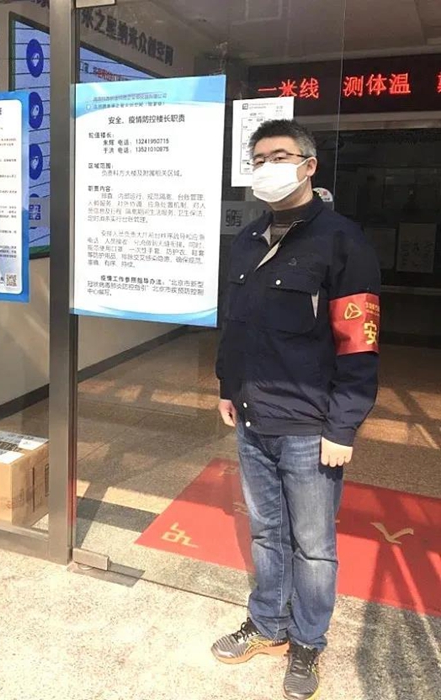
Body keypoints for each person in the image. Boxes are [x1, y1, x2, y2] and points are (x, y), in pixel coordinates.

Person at [213, 120, 380, 700]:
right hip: (253, 415)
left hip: (311, 425)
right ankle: (268, 624)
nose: (267, 168)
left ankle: (308, 641)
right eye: (258, 159)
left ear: (309, 166)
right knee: (266, 531)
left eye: (279, 156)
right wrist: (227, 386)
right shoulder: (247, 239)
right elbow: (234, 324)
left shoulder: (342, 242)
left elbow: (359, 343)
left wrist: (344, 425)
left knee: (313, 544)